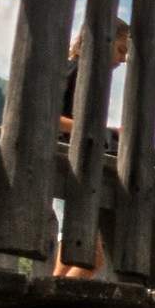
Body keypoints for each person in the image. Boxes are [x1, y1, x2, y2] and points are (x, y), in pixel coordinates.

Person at [52, 18, 131, 279]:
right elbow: (48, 115)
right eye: (120, 50)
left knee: (78, 259)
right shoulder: (72, 70)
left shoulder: (87, 80)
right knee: (89, 258)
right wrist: (89, 129)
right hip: (68, 167)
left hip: (75, 170)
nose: (123, 59)